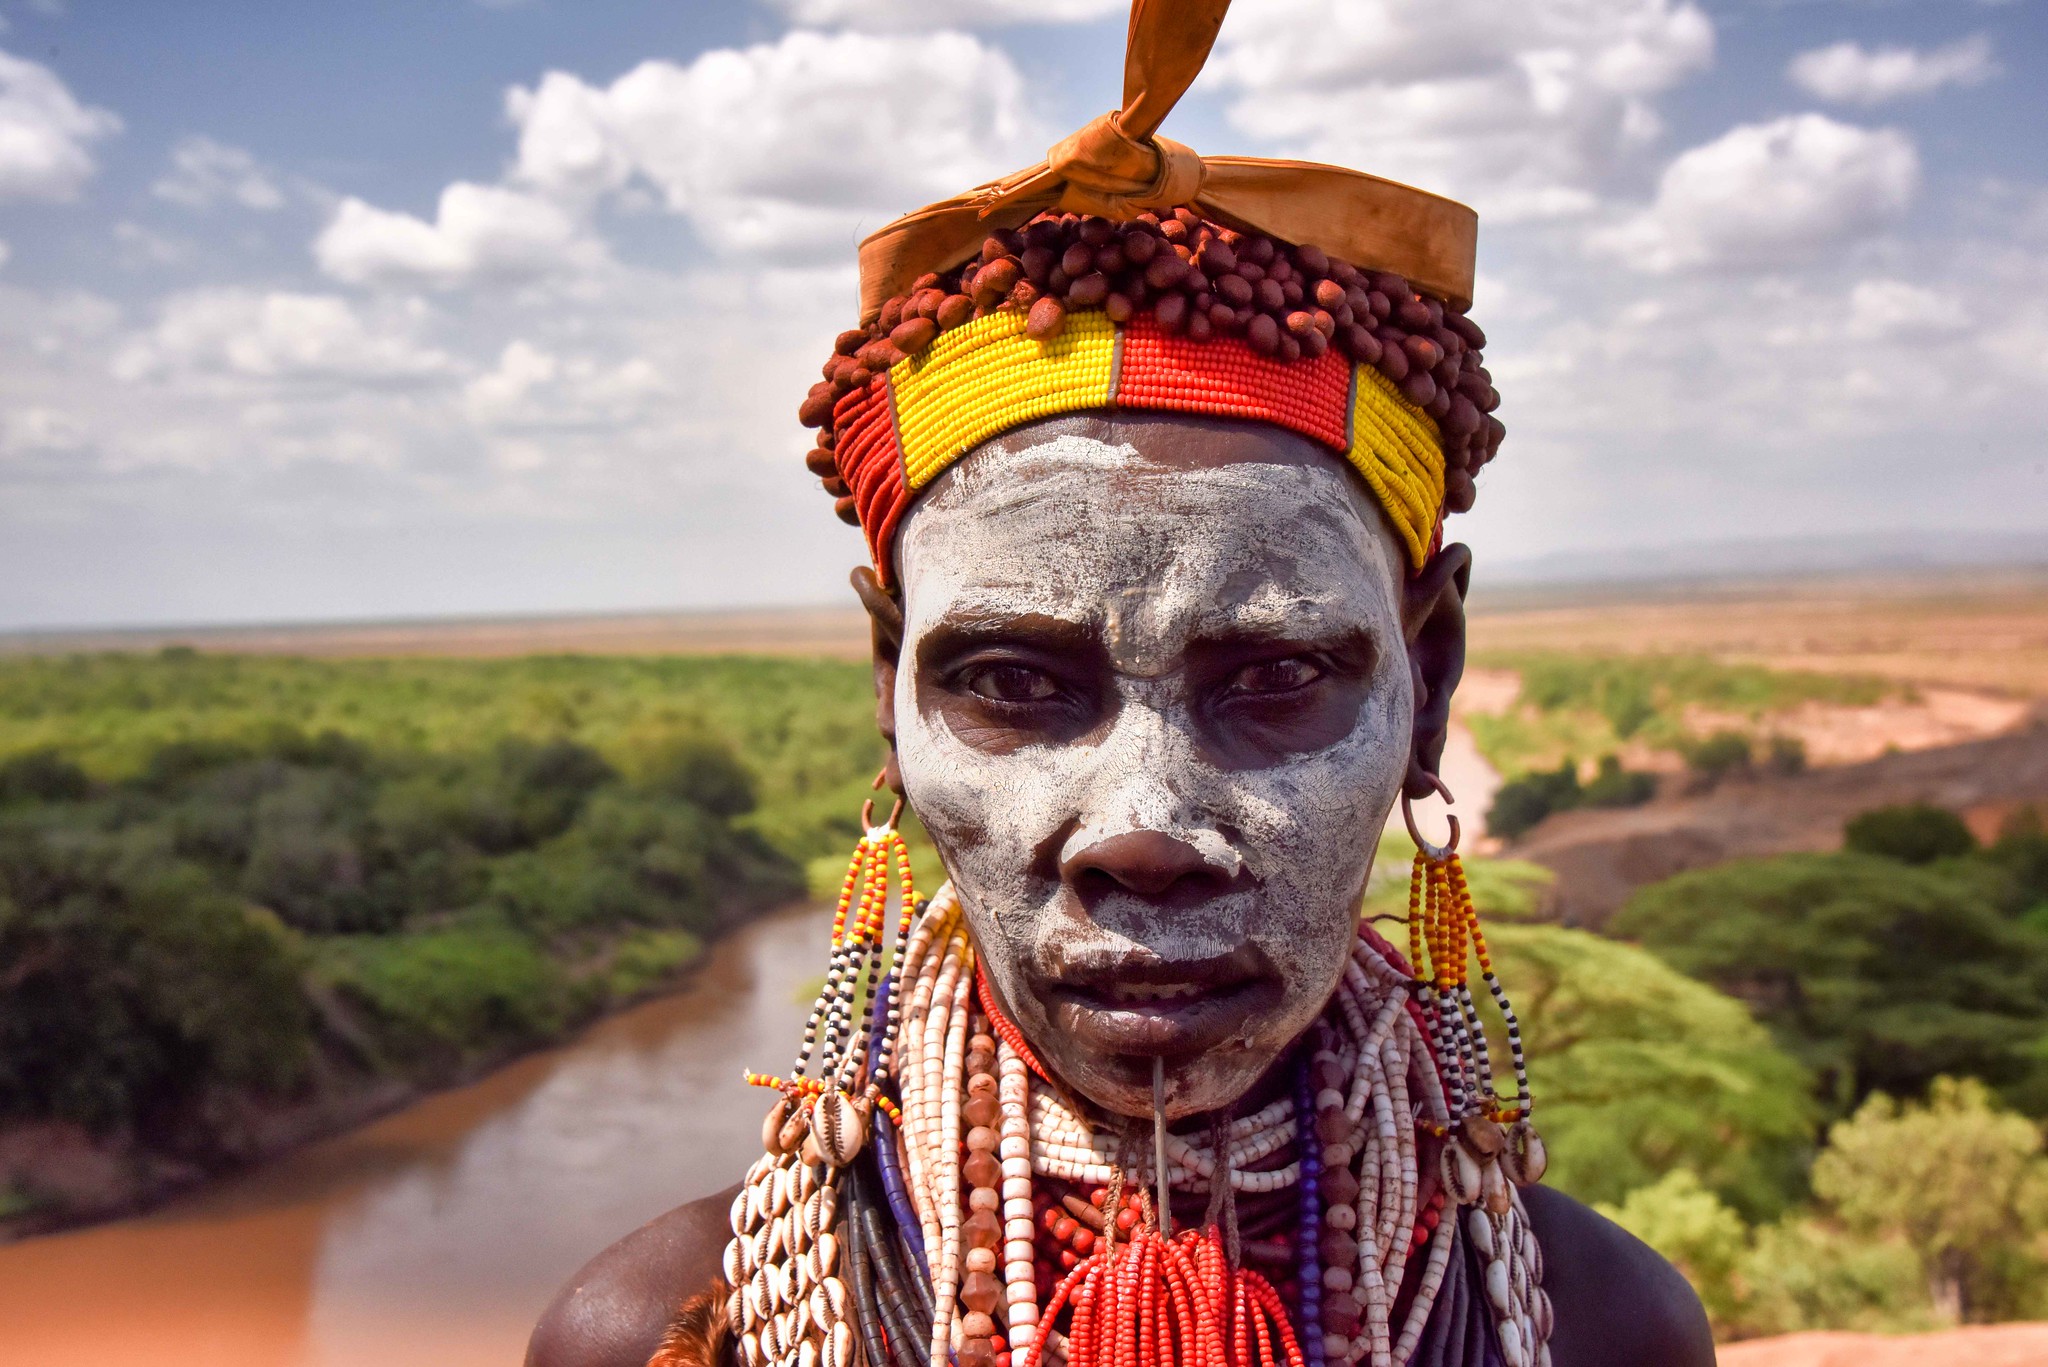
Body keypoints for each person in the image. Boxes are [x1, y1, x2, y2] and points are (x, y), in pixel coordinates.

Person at [530, 4, 1714, 1365]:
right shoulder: (667, 1337)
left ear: (1427, 683)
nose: (1145, 831)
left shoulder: (1599, 1331)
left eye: (1275, 675)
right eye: (1013, 683)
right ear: (890, 688)